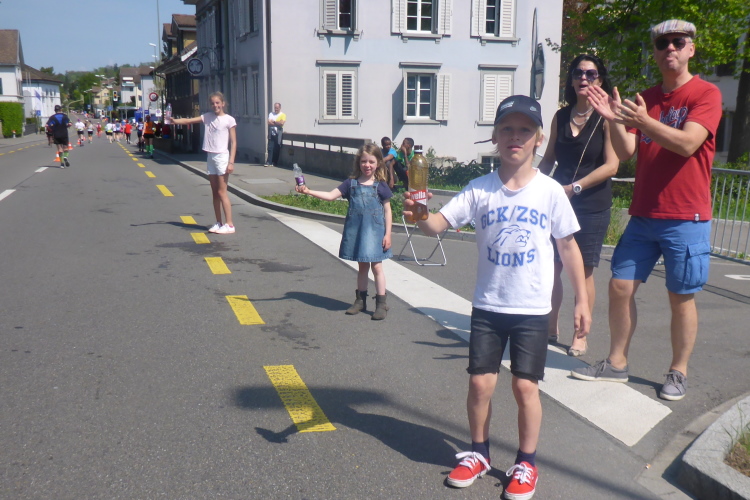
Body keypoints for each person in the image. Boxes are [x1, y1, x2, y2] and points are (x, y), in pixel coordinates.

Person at [404, 95, 590, 499]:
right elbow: (436, 225)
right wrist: (419, 214)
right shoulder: (479, 190)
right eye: (507, 129)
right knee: (479, 384)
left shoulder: (550, 192)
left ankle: (527, 462)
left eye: (524, 130)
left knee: (525, 388)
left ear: (539, 139)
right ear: (495, 136)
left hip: (532, 309)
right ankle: (479, 453)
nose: (515, 137)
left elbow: (568, 247)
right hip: (488, 304)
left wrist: (582, 301)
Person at [571, 20, 722, 402]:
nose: (669, 48)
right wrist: (613, 121)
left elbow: (687, 144)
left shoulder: (706, 93)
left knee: (680, 295)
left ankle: (678, 372)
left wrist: (644, 122)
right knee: (620, 286)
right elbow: (626, 152)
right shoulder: (647, 98)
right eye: (662, 43)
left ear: (690, 49)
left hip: (686, 216)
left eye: (678, 42)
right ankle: (616, 363)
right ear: (654, 52)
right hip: (644, 214)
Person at [538, 55, 620, 357]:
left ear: (600, 79)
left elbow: (612, 165)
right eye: (578, 73)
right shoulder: (561, 116)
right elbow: (548, 159)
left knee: (583, 272)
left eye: (590, 73)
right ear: (571, 80)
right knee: (552, 266)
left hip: (591, 204)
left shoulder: (606, 116)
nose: (583, 78)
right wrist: (529, 185)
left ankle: (580, 334)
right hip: (558, 201)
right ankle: (549, 326)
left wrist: (575, 187)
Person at [296, 143, 394, 320]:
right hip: (358, 232)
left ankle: (381, 303)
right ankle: (360, 301)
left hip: (375, 233)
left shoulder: (381, 185)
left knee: (377, 267)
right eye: (363, 161)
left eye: (371, 161)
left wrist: (388, 234)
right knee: (362, 266)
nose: (367, 165)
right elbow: (330, 196)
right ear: (358, 163)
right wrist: (308, 191)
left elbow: (388, 210)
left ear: (378, 163)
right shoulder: (351, 183)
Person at [171, 91, 238, 235]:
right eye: (213, 103)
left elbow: (234, 142)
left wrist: (231, 162)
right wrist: (174, 121)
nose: (215, 105)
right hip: (210, 156)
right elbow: (189, 121)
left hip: (222, 157)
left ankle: (230, 224)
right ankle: (219, 222)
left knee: (222, 192)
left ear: (223, 104)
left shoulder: (229, 120)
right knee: (214, 192)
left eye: (218, 103)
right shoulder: (207, 117)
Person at [266, 102, 286, 167]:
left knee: (277, 147)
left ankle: (275, 162)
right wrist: (277, 123)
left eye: (277, 108)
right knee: (270, 147)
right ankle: (269, 162)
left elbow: (282, 123)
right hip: (271, 132)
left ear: (280, 108)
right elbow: (268, 122)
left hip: (278, 132)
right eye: (275, 108)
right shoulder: (271, 114)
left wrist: (274, 122)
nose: (276, 109)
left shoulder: (283, 115)